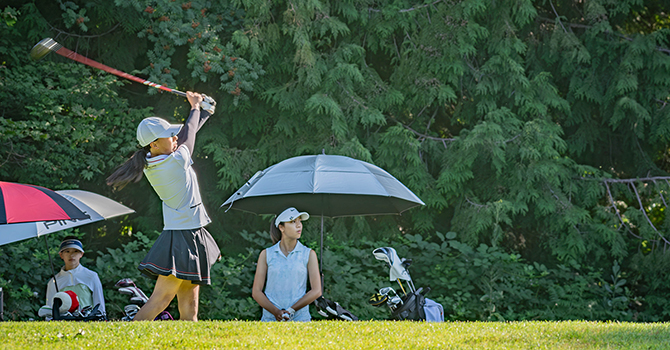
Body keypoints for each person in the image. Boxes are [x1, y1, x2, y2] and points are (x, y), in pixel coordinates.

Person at [106, 91, 220, 321]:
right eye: (169, 136)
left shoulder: (153, 159)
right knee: (161, 298)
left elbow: (187, 132)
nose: (175, 138)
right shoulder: (175, 161)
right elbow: (188, 137)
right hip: (183, 235)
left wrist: (204, 111)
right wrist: (196, 107)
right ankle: (127, 339)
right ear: (155, 144)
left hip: (189, 231)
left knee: (189, 301)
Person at [252, 207, 322, 321]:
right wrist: (276, 312)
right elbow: (256, 292)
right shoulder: (266, 254)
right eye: (293, 222)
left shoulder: (309, 254)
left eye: (300, 221)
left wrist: (291, 310)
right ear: (281, 227)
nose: (299, 225)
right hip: (270, 319)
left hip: (300, 319)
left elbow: (316, 291)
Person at [43, 236, 105, 318]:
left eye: (75, 251)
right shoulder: (54, 282)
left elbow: (100, 307)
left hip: (89, 323)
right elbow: (50, 313)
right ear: (61, 255)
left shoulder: (91, 276)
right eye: (67, 251)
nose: (71, 255)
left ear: (81, 254)